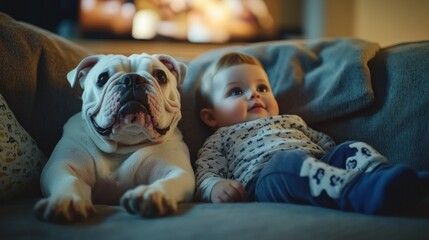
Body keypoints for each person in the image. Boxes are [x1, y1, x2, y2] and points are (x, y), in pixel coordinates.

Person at [194, 51, 428, 215]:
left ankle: (390, 179)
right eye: (236, 91)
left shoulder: (291, 121)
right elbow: (205, 174)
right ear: (210, 117)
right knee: (286, 163)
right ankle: (366, 192)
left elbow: (326, 145)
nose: (254, 95)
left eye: (262, 88)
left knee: (350, 147)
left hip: (317, 163)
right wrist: (215, 187)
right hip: (266, 179)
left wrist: (339, 157)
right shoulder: (220, 139)